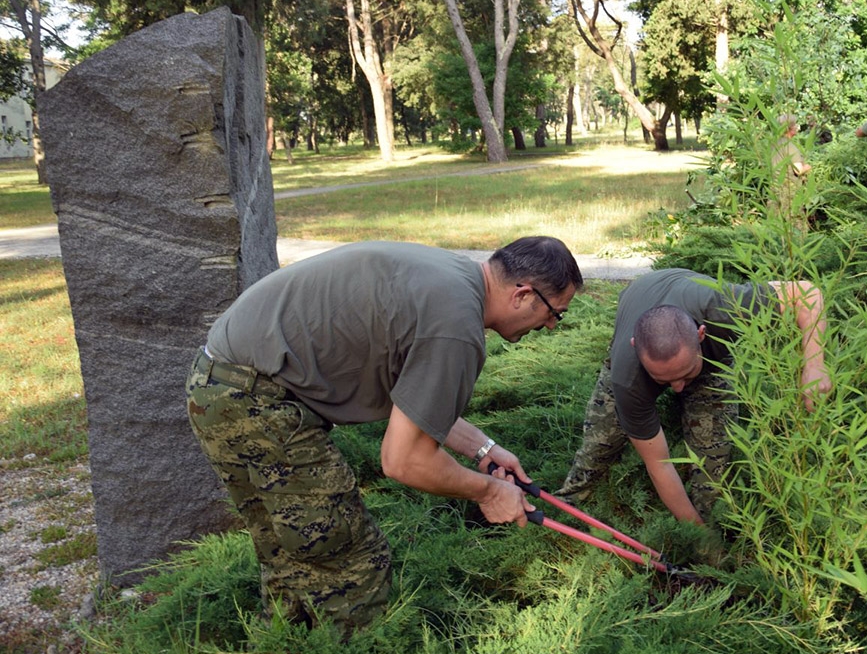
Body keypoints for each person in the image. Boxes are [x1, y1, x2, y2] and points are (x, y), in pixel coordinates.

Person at [186, 237, 583, 633]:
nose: (550, 326)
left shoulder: (453, 278)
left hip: (220, 384)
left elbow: (412, 400)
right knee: (352, 561)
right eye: (554, 314)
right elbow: (403, 461)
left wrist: (483, 448)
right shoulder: (456, 326)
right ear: (523, 294)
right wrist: (490, 493)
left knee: (292, 551)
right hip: (258, 401)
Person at [555, 268, 831, 524]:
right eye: (664, 380)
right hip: (643, 311)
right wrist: (695, 532)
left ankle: (711, 522)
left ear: (701, 335)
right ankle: (566, 509)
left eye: (686, 375)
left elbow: (806, 294)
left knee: (714, 455)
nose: (678, 388)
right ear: (635, 347)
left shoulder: (723, 308)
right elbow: (660, 464)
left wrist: (815, 366)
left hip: (704, 344)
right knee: (599, 444)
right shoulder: (627, 374)